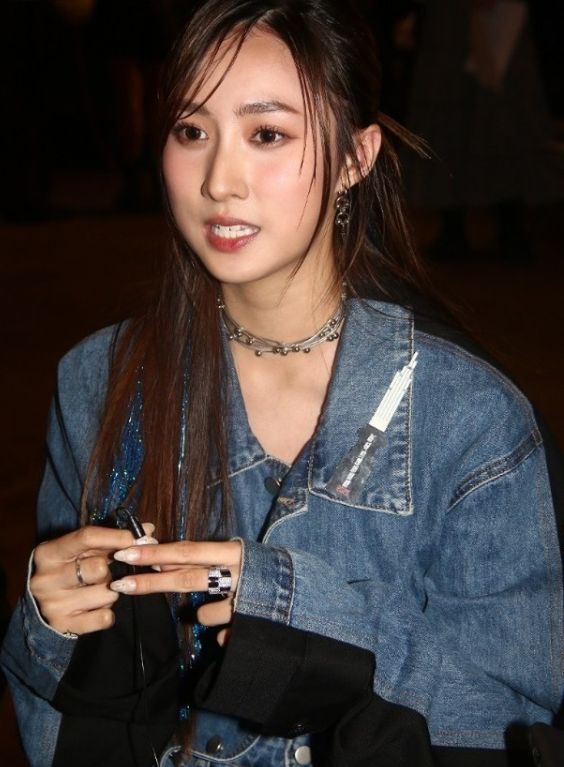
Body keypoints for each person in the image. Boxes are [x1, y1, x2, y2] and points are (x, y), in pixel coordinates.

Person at [1, 2, 563, 766]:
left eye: (267, 134)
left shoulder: (469, 420)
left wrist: (308, 617)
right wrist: (50, 628)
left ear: (355, 157)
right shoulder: (101, 383)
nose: (219, 180)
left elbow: (507, 721)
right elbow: (61, 730)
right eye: (191, 130)